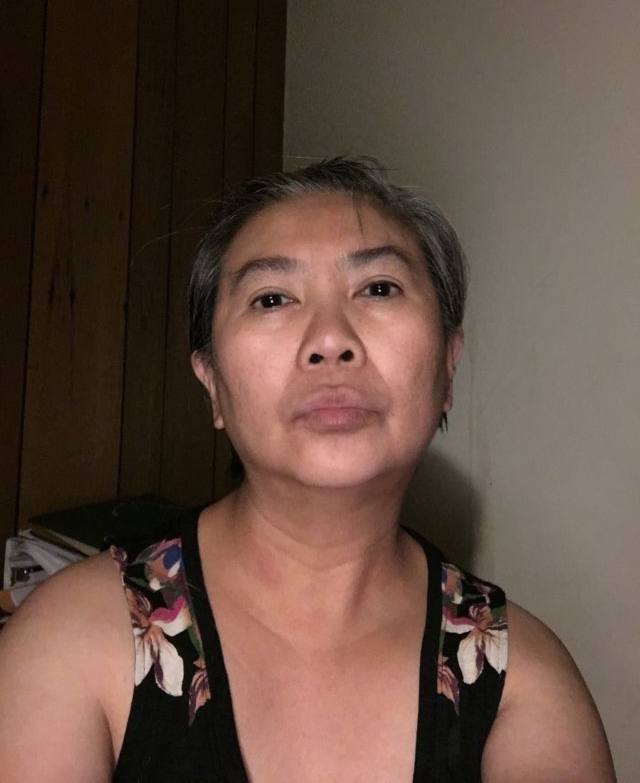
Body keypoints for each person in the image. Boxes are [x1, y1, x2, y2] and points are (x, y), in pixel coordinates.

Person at [0, 158, 616, 782]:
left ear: (448, 366)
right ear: (211, 383)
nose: (330, 339)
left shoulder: (523, 679)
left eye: (379, 288)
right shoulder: (68, 641)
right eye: (272, 298)